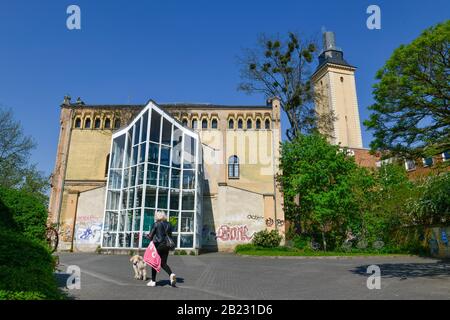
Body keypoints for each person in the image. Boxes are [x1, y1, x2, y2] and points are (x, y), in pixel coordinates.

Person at [145, 211, 176, 287]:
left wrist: (145, 235)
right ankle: (171, 274)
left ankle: (153, 281)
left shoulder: (156, 224)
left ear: (157, 217)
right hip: (167, 246)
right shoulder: (169, 224)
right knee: (163, 263)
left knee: (154, 262)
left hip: (158, 245)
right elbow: (170, 236)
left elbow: (150, 236)